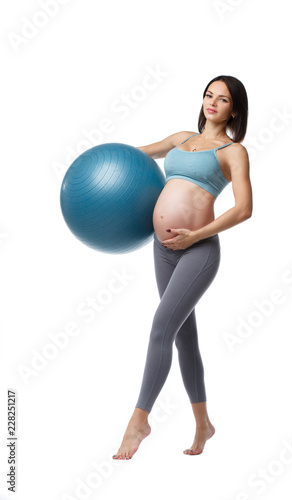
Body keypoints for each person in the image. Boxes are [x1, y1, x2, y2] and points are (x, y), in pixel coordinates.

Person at [113, 75, 253, 460]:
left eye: (222, 99)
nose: (212, 103)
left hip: (198, 250)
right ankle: (204, 424)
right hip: (162, 249)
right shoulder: (180, 139)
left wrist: (196, 236)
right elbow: (131, 156)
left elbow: (243, 208)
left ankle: (139, 420)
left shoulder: (232, 151)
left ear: (233, 109)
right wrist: (95, 158)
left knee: (161, 327)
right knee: (182, 336)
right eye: (209, 95)